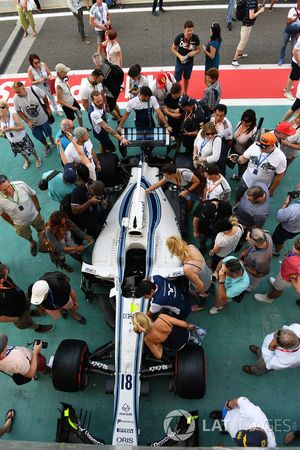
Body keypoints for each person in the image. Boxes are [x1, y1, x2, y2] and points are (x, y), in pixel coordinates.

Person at [233, 132, 287, 202]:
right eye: (260, 146)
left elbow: (279, 175)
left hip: (261, 187)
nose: (260, 149)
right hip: (246, 180)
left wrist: (271, 190)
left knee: (254, 203)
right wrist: (237, 159)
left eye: (263, 147)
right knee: (239, 197)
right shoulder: (255, 146)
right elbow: (243, 159)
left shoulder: (281, 157)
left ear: (271, 146)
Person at [0, 263, 54, 333]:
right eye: (6, 275)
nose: (7, 276)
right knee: (28, 323)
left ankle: (30, 312)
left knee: (27, 306)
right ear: (1, 280)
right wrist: (15, 319)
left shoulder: (5, 280)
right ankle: (38, 328)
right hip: (18, 314)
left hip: (22, 299)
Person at [0, 175, 44, 257]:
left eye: (8, 186)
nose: (9, 190)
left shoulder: (20, 185)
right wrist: (13, 224)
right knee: (26, 235)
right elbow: (2, 214)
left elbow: (33, 194)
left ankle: (42, 238)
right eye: (4, 190)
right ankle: (32, 243)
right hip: (19, 223)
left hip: (34, 215)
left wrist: (38, 208)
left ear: (9, 182)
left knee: (41, 229)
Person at [166, 236, 212, 311]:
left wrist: (203, 294)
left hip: (204, 285)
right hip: (208, 275)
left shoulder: (187, 269)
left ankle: (201, 305)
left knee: (201, 295)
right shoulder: (191, 247)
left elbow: (200, 285)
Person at [209, 397, 276, 447]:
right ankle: (222, 416)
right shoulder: (254, 414)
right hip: (231, 414)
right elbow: (241, 400)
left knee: (228, 430)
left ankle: (226, 428)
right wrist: (229, 405)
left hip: (234, 430)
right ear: (253, 429)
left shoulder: (271, 445)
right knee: (225, 416)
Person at [13, 81, 55, 157]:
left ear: (23, 88)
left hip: (44, 119)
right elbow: (18, 111)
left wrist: (48, 108)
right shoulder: (16, 98)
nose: (17, 94)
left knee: (48, 132)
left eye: (18, 92)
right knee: (39, 136)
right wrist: (28, 121)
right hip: (33, 124)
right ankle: (46, 146)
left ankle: (51, 138)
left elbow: (44, 97)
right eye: (16, 92)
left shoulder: (34, 89)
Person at [132, 312, 200, 359]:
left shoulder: (148, 339)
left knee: (166, 349)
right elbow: (182, 324)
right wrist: (188, 325)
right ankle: (192, 339)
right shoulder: (162, 318)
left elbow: (159, 355)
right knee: (178, 324)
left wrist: (158, 342)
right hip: (185, 335)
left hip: (177, 347)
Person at [254, 238, 300, 304]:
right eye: (295, 245)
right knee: (277, 284)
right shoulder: (296, 252)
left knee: (278, 290)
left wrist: (292, 278)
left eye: (296, 249)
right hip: (284, 272)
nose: (293, 248)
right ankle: (276, 284)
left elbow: (298, 288)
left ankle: (268, 298)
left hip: (285, 279)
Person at [0, 100, 41, 170]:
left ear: (7, 108)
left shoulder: (13, 115)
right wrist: (2, 130)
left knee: (31, 149)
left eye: (2, 107)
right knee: (20, 151)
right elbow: (1, 128)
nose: (0, 109)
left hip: (22, 138)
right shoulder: (0, 117)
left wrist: (11, 128)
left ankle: (37, 159)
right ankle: (27, 160)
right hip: (12, 140)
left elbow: (22, 127)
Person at [232, 0, 264, 66]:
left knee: (244, 40)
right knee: (243, 42)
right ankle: (234, 60)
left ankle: (240, 54)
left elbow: (249, 8)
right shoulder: (252, 2)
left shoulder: (251, 1)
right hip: (246, 25)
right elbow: (251, 16)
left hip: (245, 23)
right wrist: (260, 11)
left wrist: (257, 7)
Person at [172, 20, 201, 94]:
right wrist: (180, 56)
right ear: (184, 29)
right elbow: (173, 48)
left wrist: (194, 52)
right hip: (180, 63)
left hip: (189, 63)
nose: (190, 32)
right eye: (188, 30)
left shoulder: (195, 38)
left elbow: (199, 49)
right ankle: (177, 93)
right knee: (177, 80)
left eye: (191, 30)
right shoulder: (179, 37)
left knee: (186, 79)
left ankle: (185, 93)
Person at [230, 109, 257, 180]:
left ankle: (241, 177)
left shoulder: (254, 131)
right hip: (235, 150)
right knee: (235, 163)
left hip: (244, 154)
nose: (244, 123)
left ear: (252, 121)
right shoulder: (240, 123)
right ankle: (239, 175)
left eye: (247, 121)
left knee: (243, 168)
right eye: (243, 120)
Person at [271, 192, 300, 256]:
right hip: (296, 230)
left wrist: (286, 202)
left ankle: (276, 251)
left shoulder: (293, 209)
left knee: (279, 241)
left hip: (285, 229)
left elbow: (279, 216)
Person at [278, 1, 300, 66]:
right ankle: (281, 59)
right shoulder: (292, 10)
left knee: (293, 48)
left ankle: (292, 62)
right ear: (297, 2)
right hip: (288, 31)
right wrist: (293, 20)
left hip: (295, 33)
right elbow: (287, 22)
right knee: (283, 45)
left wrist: (298, 33)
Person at [162, 82, 183, 150]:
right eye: (172, 95)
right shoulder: (169, 96)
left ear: (180, 92)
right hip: (170, 121)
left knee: (178, 138)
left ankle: (178, 149)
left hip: (180, 123)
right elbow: (165, 107)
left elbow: (178, 116)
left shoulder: (183, 100)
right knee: (168, 135)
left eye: (175, 96)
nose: (173, 97)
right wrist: (174, 111)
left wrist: (167, 112)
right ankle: (169, 147)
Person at [284, 33, 300, 100]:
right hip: (297, 62)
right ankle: (287, 92)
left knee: (292, 75)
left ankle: (287, 87)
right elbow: (294, 51)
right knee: (293, 77)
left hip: (296, 61)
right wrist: (299, 63)